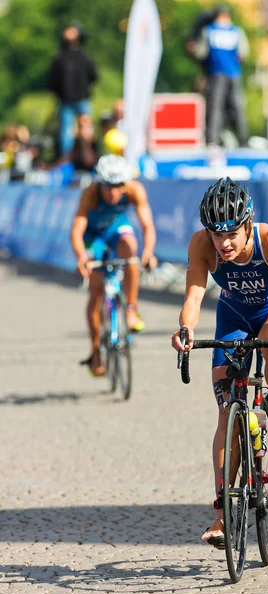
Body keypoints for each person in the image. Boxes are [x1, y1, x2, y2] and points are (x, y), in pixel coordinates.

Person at [171, 177, 268, 546]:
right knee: (226, 413)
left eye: (232, 232)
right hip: (231, 317)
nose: (225, 242)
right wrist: (185, 330)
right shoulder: (202, 245)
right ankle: (221, 514)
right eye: (217, 235)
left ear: (248, 223)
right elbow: (195, 296)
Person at [71, 154, 157, 376]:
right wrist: (81, 257)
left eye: (118, 186)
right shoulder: (90, 193)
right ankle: (95, 351)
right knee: (96, 292)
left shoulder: (134, 190)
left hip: (117, 229)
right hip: (94, 237)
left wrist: (148, 253)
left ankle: (131, 309)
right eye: (108, 186)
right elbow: (77, 229)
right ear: (100, 183)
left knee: (131, 252)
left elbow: (147, 225)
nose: (112, 192)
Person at [193, 5, 249, 147]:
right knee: (237, 106)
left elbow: (201, 52)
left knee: (215, 107)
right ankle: (242, 139)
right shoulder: (236, 31)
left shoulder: (209, 31)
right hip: (234, 73)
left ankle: (212, 139)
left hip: (216, 73)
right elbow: (243, 54)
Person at [48, 23, 98, 157]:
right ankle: (68, 157)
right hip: (70, 99)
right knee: (70, 129)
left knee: (79, 128)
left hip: (75, 98)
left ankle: (86, 155)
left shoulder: (69, 58)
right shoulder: (67, 58)